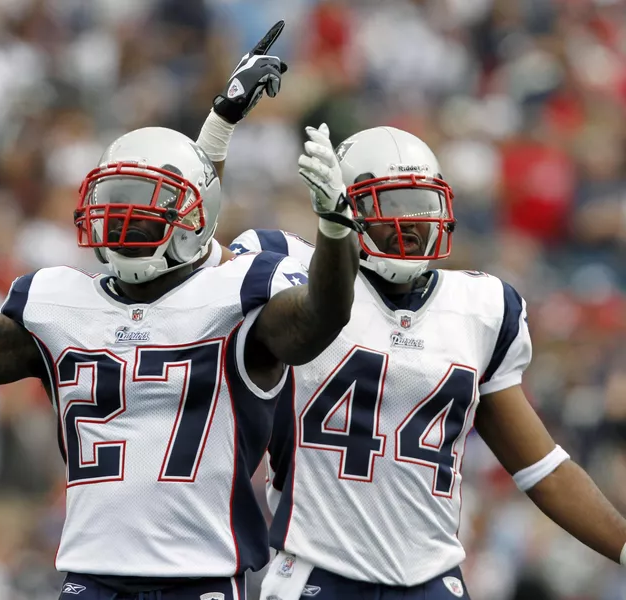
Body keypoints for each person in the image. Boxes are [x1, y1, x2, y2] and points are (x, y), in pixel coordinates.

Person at [0, 60, 363, 600]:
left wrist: (335, 227)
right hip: (91, 580)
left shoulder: (238, 296)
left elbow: (323, 312)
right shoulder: (62, 304)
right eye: (115, 203)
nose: (123, 219)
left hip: (201, 578)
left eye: (143, 209)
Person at [227, 126, 626, 600]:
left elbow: (543, 468)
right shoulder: (293, 278)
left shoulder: (478, 307)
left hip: (434, 580)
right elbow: (198, 268)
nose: (413, 222)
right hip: (317, 575)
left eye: (423, 202)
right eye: (392, 204)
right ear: (345, 206)